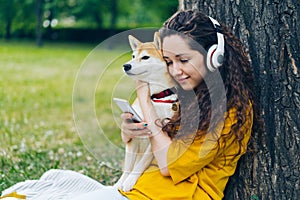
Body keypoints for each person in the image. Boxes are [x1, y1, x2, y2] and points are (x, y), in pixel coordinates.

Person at [1, 10, 262, 200]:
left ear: (215, 56)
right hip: (140, 188)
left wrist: (145, 102)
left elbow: (169, 165)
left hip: (174, 195)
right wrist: (131, 129)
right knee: (52, 179)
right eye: (170, 62)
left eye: (184, 59)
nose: (176, 70)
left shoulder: (231, 110)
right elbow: (152, 142)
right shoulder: (190, 94)